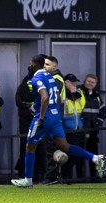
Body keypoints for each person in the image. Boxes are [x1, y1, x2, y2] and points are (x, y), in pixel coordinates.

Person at [11, 55, 106, 188]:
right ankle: (95, 158)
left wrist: (41, 117)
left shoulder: (37, 78)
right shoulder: (51, 77)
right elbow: (59, 99)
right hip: (55, 116)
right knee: (64, 145)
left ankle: (28, 180)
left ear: (33, 65)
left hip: (44, 116)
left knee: (30, 146)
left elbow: (45, 97)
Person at [14, 73, 46, 180]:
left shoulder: (39, 83)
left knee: (35, 147)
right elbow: (19, 101)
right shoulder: (27, 84)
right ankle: (30, 173)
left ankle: (35, 173)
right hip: (30, 120)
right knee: (29, 146)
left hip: (36, 119)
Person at [43, 56, 65, 184]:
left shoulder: (55, 79)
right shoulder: (53, 78)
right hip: (53, 116)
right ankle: (51, 176)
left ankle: (51, 177)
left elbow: (49, 97)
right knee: (50, 147)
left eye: (47, 64)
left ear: (54, 67)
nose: (45, 66)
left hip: (53, 117)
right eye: (44, 64)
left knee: (52, 147)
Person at [80, 74, 106, 181]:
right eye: (88, 81)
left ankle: (93, 177)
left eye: (93, 82)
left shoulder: (97, 97)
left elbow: (103, 112)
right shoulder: (79, 93)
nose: (90, 83)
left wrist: (98, 124)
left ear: (95, 84)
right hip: (81, 131)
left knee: (94, 156)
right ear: (84, 81)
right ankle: (80, 178)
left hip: (93, 132)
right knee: (80, 157)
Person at [61, 74, 86, 181]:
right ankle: (65, 177)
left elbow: (82, 107)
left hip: (78, 129)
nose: (74, 84)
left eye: (75, 82)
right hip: (66, 130)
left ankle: (69, 177)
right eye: (71, 82)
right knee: (66, 155)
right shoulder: (62, 95)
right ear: (65, 83)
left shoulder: (79, 94)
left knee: (74, 157)